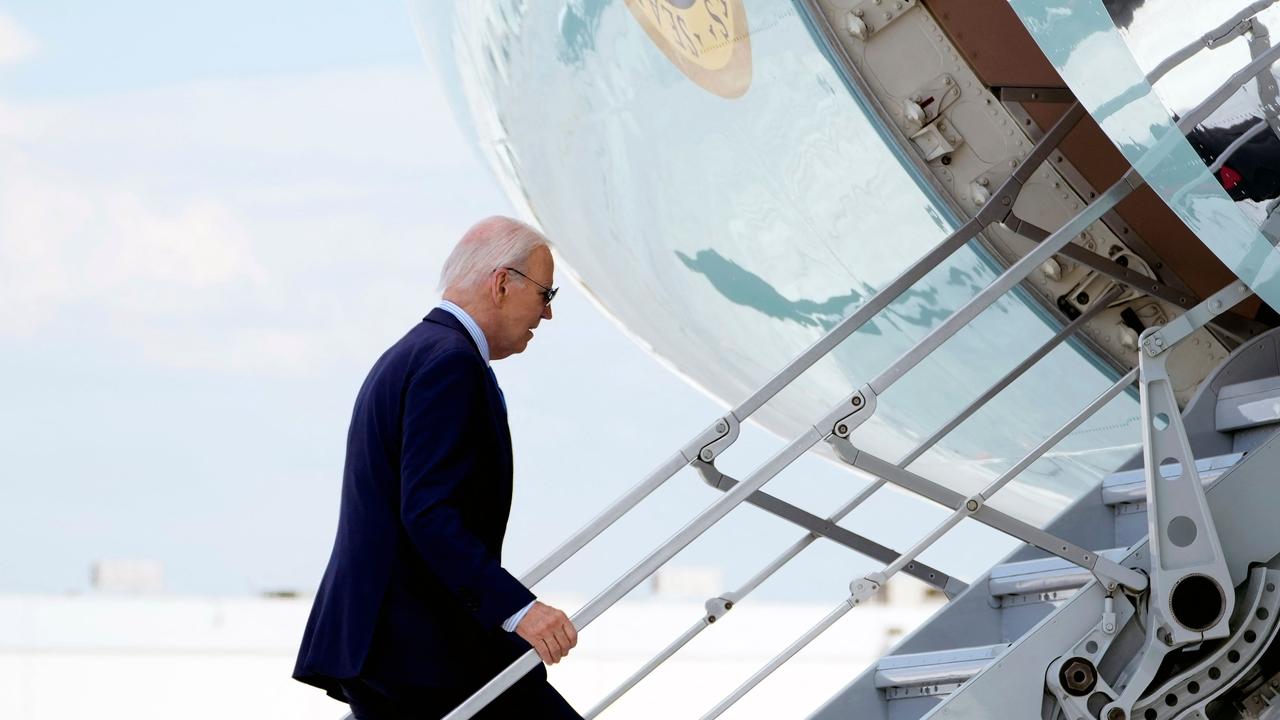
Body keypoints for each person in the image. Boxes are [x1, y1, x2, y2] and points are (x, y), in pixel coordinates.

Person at [294, 216, 582, 719]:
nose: (548, 313)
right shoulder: (450, 364)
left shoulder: (415, 352)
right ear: (501, 283)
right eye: (545, 293)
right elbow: (428, 513)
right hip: (417, 647)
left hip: (389, 642)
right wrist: (520, 611)